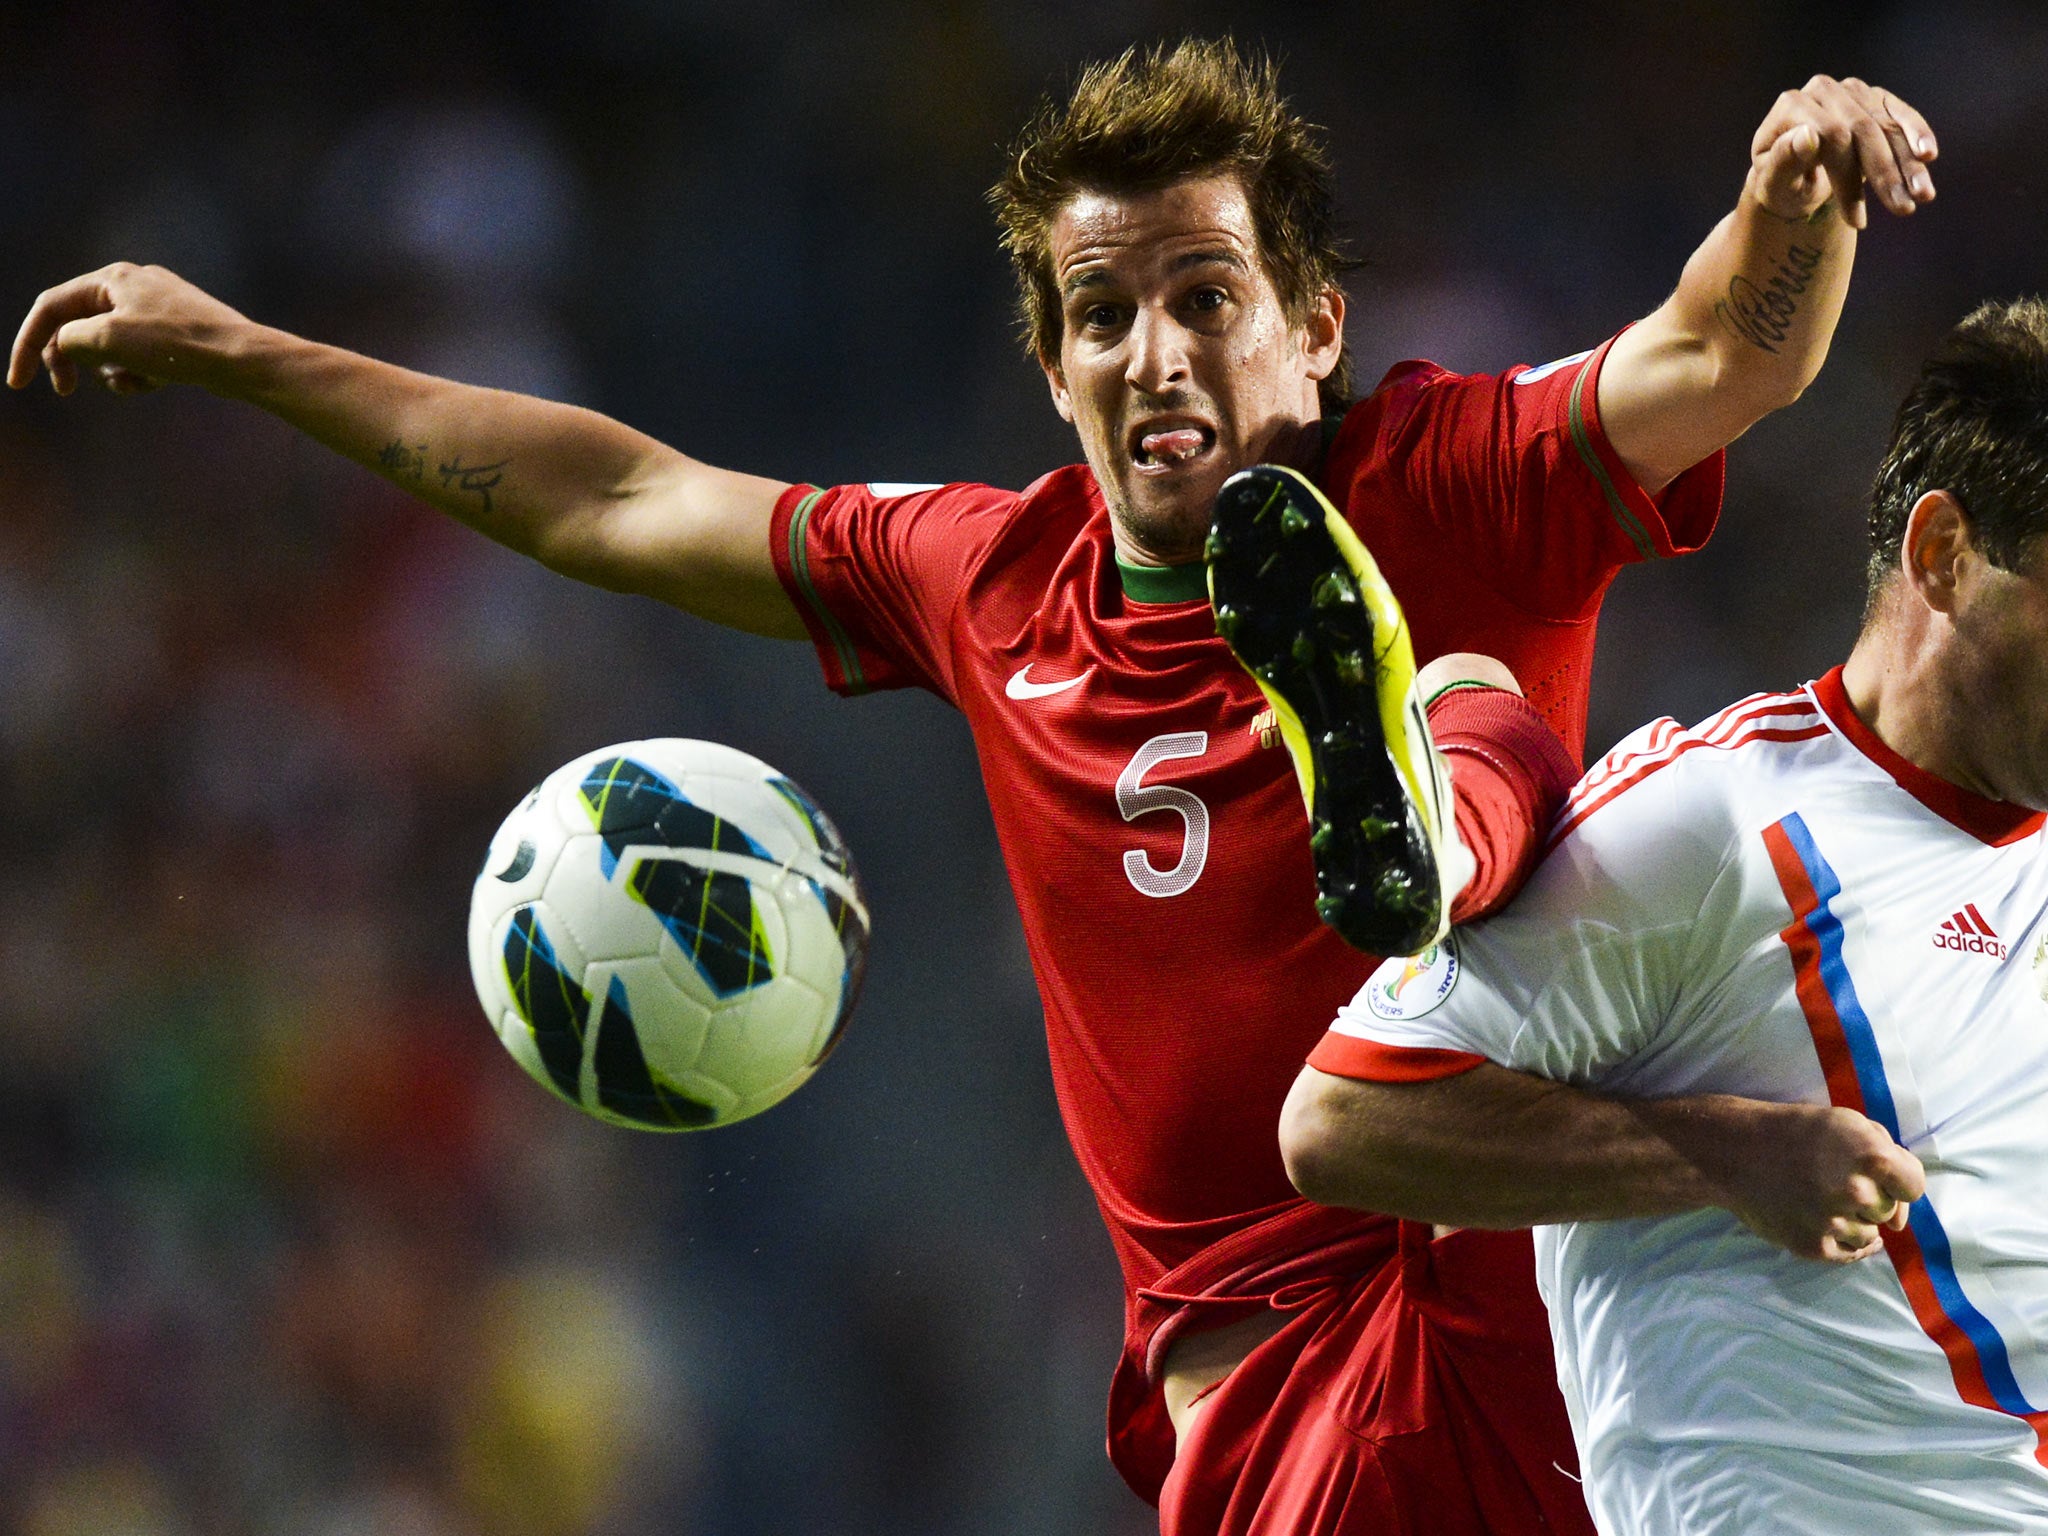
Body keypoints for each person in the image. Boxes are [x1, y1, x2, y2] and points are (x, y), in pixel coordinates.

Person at [8, 38, 1938, 1536]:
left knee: (1475, 709)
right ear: (1049, 359)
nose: (1154, 352)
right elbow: (616, 495)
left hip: (1477, 1270)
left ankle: (1416, 828)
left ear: (1316, 325)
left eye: (1206, 295)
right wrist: (254, 355)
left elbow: (1717, 350)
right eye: (1102, 314)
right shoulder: (985, 576)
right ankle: (1416, 818)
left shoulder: (1447, 478)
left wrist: (1802, 189)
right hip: (1303, 1402)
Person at [1279, 297, 2048, 1531]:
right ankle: (1450, 772)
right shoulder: (1711, 818)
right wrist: (1723, 1154)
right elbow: (1341, 1121)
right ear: (1942, 552)